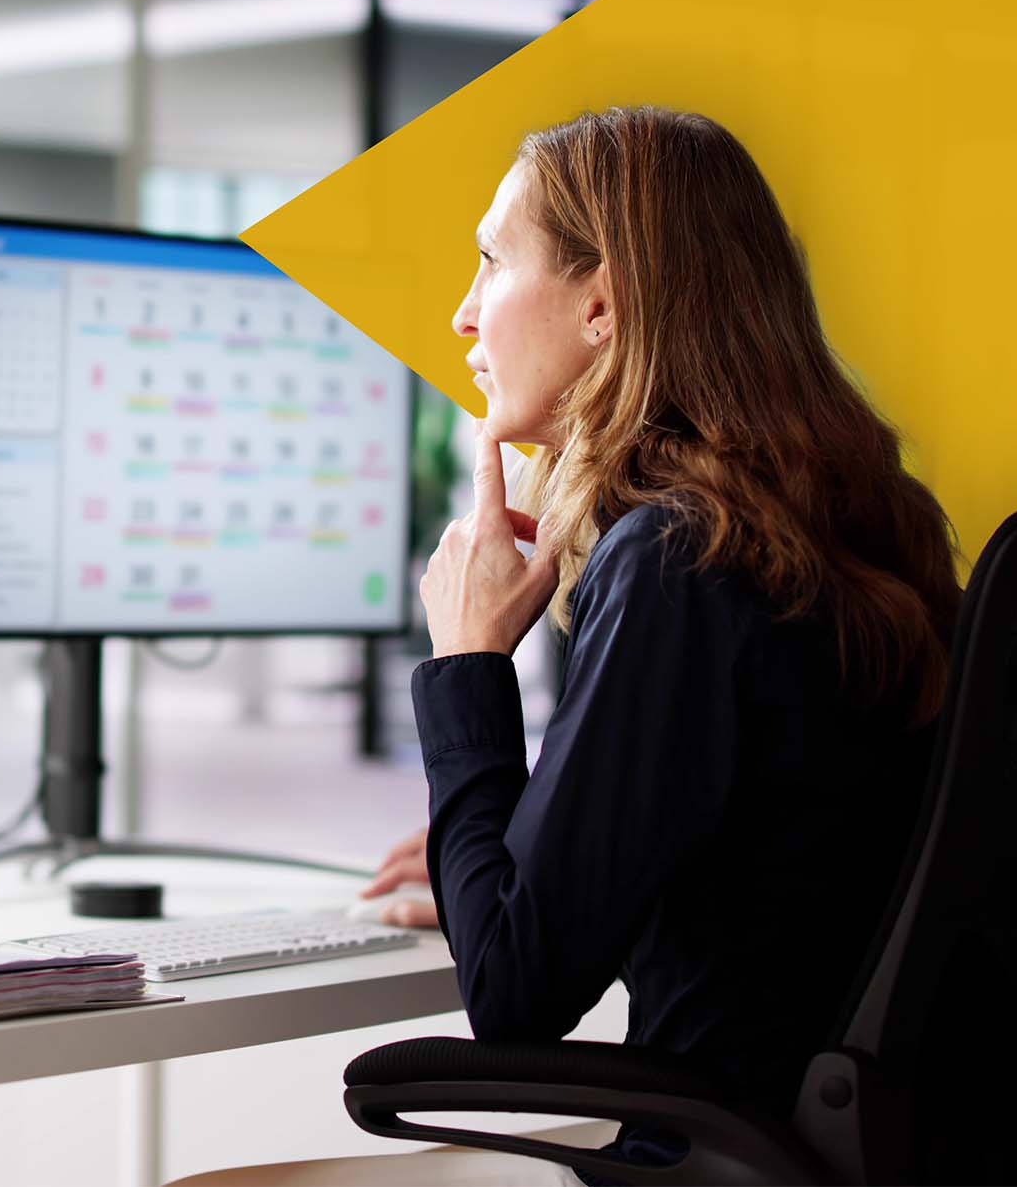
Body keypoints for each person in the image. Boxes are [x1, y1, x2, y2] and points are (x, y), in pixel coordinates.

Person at [294, 105, 960, 1185]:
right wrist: (503, 846)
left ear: (601, 300)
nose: (463, 316)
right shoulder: (863, 529)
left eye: (491, 262)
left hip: (729, 1158)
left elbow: (515, 991)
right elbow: (760, 859)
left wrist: (466, 660)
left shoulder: (678, 557)